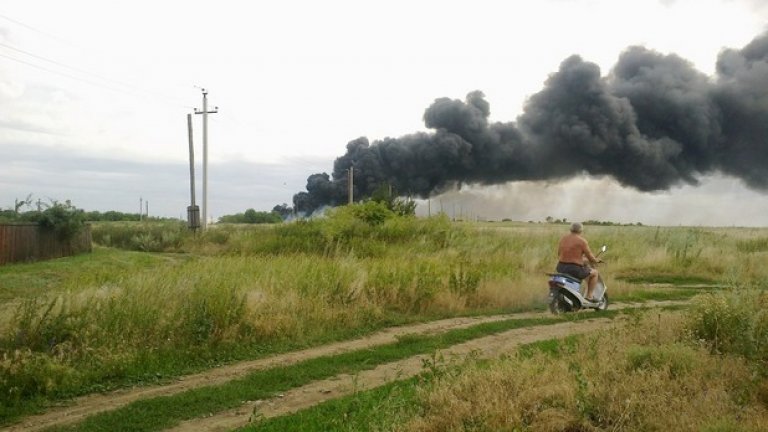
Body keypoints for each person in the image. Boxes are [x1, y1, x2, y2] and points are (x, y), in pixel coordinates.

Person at [556, 222, 602, 301]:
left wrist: (580, 258)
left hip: (560, 267)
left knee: (584, 272)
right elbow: (590, 257)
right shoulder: (582, 241)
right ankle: (589, 296)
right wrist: (596, 260)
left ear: (570, 229)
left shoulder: (563, 239)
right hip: (574, 269)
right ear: (581, 230)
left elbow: (559, 253)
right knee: (595, 273)